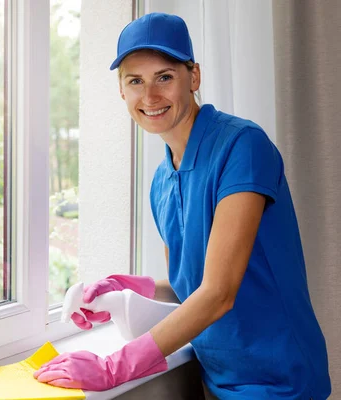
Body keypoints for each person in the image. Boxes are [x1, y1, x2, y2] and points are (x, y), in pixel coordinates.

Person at [34, 12, 331, 399]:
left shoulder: (243, 146)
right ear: (122, 92)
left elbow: (218, 292)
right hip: (218, 378)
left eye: (165, 77)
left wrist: (113, 367)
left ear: (194, 77)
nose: (150, 96)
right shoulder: (162, 180)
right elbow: (187, 284)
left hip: (279, 381)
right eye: (135, 81)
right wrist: (127, 287)